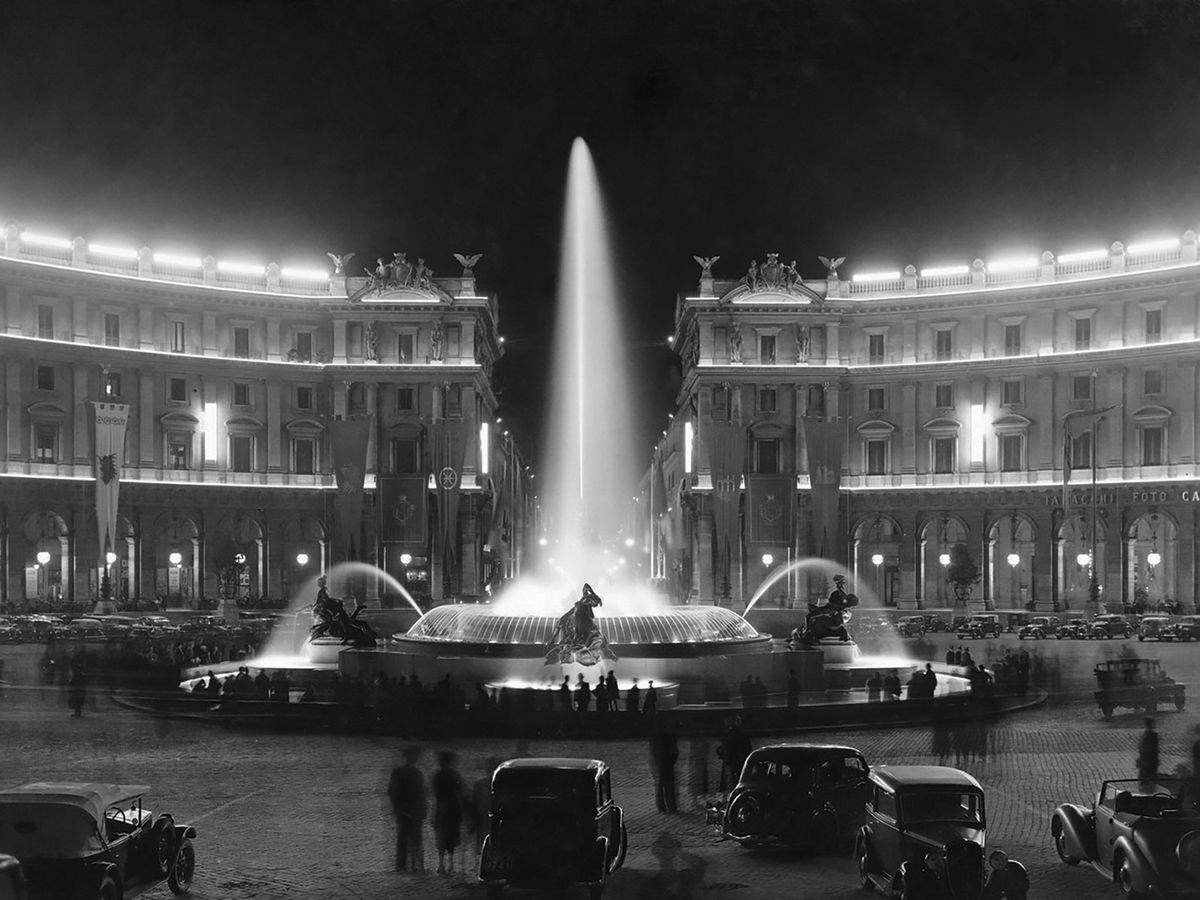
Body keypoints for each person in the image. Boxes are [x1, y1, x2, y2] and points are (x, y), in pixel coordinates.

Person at [388, 746, 427, 872]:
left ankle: (405, 865)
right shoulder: (413, 773)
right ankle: (411, 865)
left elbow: (392, 792)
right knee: (411, 838)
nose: (416, 758)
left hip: (409, 810)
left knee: (406, 838)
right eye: (414, 755)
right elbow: (394, 792)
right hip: (410, 810)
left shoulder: (404, 772)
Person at [431, 751, 464, 874]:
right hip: (452, 807)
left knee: (441, 835)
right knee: (451, 835)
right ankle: (450, 863)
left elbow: (435, 793)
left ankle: (441, 863)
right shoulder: (454, 774)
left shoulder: (437, 775)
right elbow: (459, 790)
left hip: (441, 807)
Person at [651, 727, 679, 813]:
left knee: (661, 783)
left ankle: (662, 806)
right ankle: (670, 805)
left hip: (661, 757)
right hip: (667, 758)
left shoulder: (656, 734)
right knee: (669, 783)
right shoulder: (669, 734)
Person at [1137, 718, 1159, 782]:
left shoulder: (1149, 734)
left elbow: (1154, 749)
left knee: (1148, 777)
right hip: (1147, 759)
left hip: (1148, 760)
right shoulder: (1149, 734)